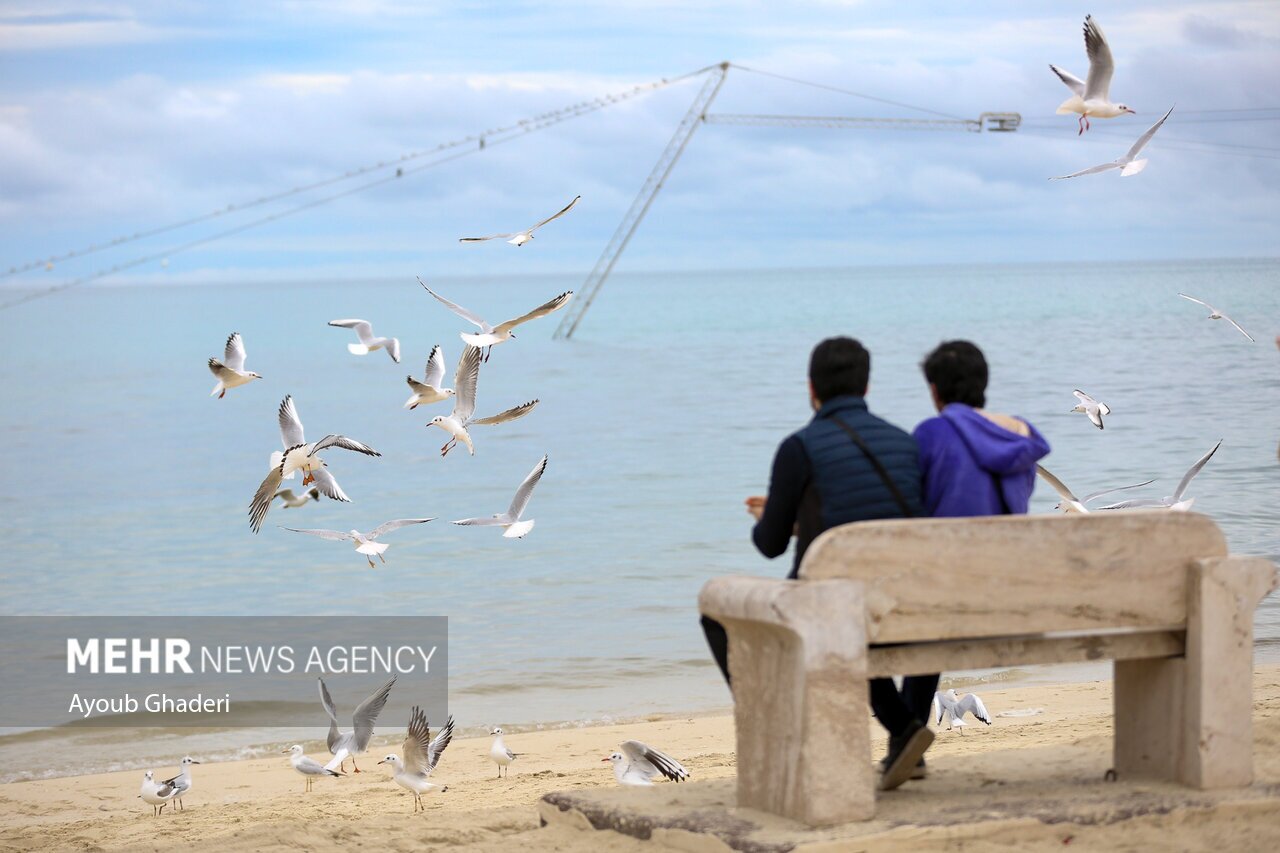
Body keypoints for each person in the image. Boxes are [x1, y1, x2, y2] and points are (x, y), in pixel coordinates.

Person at [700, 336, 932, 791]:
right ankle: (905, 731)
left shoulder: (800, 447)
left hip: (830, 612)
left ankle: (778, 731)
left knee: (715, 614)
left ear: (811, 388)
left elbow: (768, 545)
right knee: (856, 609)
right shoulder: (905, 445)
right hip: (905, 606)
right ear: (866, 387)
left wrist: (772, 517)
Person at [899, 340, 1050, 770]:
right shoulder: (1019, 435)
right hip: (1013, 597)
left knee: (921, 629)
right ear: (984, 384)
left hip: (947, 598)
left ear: (934, 390)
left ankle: (906, 742)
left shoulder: (930, 434)